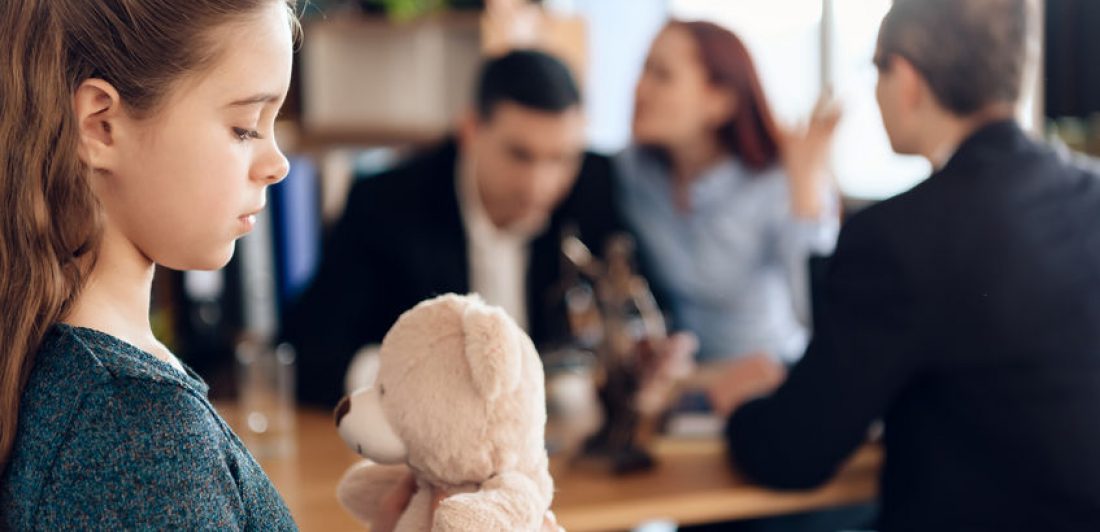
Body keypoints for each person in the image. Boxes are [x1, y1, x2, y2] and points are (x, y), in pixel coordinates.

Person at [716, 0, 1100, 529]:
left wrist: (739, 407)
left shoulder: (896, 237)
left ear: (907, 78)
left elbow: (794, 454)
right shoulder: (1090, 195)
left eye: (876, 69)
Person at [0, 0, 301, 528]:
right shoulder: (140, 435)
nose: (278, 165)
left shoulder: (77, 373)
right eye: (246, 126)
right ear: (101, 126)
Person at [284, 50, 693, 408]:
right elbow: (310, 353)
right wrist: (416, 377)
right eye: (520, 155)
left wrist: (653, 357)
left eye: (561, 158)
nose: (540, 185)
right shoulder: (386, 202)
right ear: (470, 130)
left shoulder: (594, 182)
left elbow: (654, 307)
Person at [615, 20, 841, 371]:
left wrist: (806, 192)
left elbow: (817, 313)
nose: (640, 89)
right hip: (681, 382)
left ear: (719, 102)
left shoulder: (779, 183)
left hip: (764, 376)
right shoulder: (633, 171)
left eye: (662, 75)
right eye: (644, 69)